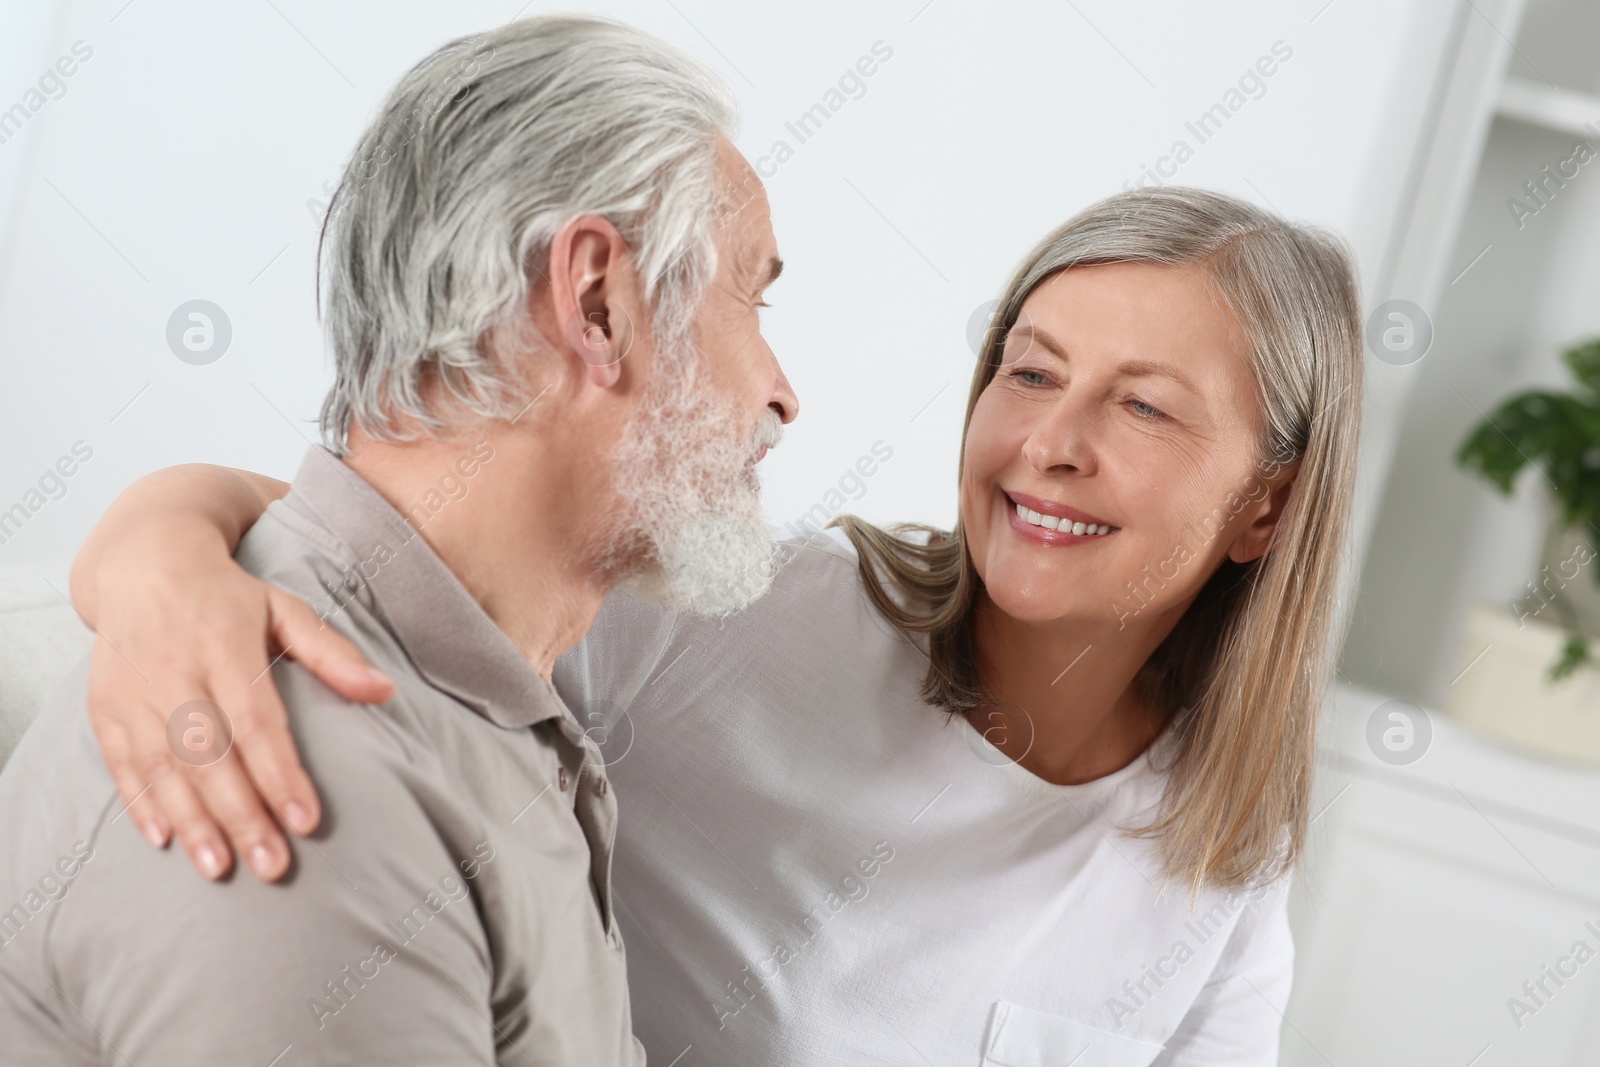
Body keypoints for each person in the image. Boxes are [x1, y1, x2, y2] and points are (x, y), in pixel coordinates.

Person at [66, 195, 1362, 1066]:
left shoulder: (1226, 873)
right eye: (1028, 369)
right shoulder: (742, 610)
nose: (1051, 445)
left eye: (1142, 408)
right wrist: (155, 555)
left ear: (1266, 504)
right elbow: (379, 545)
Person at [0, 16, 797, 1065]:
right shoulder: (294, 780)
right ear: (598, 302)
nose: (783, 394)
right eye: (753, 295)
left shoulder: (474, 692)